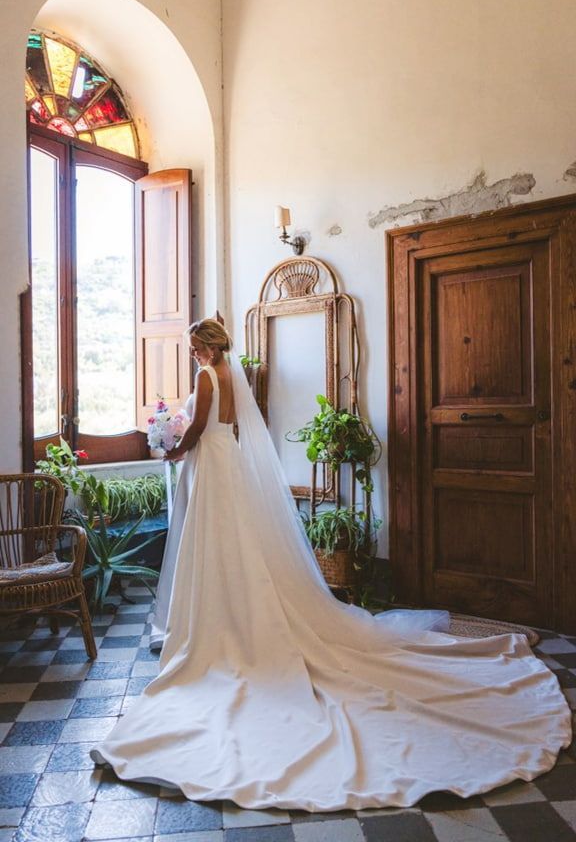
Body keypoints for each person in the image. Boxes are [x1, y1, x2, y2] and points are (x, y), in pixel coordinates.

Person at [91, 318, 571, 811]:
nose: (191, 352)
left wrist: (173, 449)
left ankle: (221, 622)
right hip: (227, 461)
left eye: (195, 345)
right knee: (236, 541)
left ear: (209, 346)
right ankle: (236, 610)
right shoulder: (234, 376)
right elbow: (229, 427)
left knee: (215, 541)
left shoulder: (207, 376)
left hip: (210, 463)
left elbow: (196, 427)